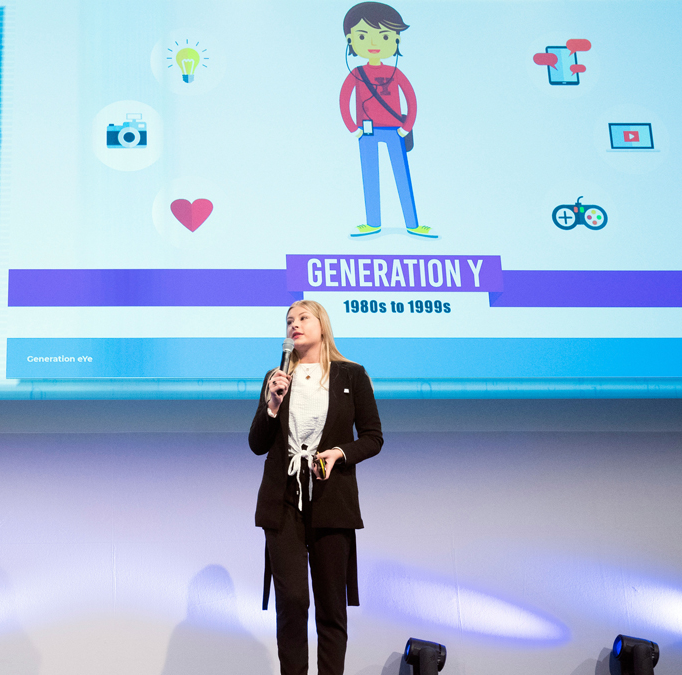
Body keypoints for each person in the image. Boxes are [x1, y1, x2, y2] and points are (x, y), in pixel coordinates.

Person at [249, 300, 383, 675]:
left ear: (322, 325)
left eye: (303, 318)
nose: (294, 324)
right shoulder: (276, 377)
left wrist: (339, 453)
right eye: (289, 320)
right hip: (283, 502)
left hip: (331, 499)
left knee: (331, 606)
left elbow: (373, 437)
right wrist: (272, 405)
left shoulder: (351, 375)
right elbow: (257, 444)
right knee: (292, 600)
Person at [338, 2, 436, 239]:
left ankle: (413, 224)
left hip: (394, 131)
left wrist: (406, 127)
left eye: (384, 36)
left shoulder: (396, 73)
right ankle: (373, 223)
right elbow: (344, 100)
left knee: (402, 176)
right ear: (351, 40)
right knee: (370, 176)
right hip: (367, 132)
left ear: (396, 40)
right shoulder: (357, 74)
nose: (374, 43)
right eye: (363, 36)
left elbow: (411, 100)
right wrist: (353, 129)